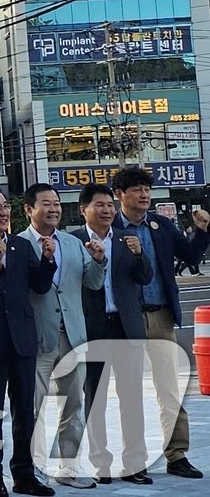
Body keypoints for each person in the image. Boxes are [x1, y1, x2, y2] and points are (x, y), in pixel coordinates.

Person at [110, 166, 202, 480]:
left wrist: (202, 232)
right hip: (128, 319)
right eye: (136, 189)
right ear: (120, 195)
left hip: (161, 315)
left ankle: (177, 456)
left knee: (170, 390)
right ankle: (133, 460)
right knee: (131, 392)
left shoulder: (160, 225)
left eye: (146, 188)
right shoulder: (112, 230)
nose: (144, 194)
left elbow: (189, 256)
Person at [0, 185, 55, 497]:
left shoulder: (20, 245)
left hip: (22, 340)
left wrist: (47, 260)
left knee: (24, 411)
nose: (4, 212)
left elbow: (40, 287)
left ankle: (24, 473)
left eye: (5, 206)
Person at [19, 183, 103, 490]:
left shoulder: (72, 243)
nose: (54, 209)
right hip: (38, 339)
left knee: (73, 404)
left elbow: (93, 284)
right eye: (46, 204)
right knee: (32, 407)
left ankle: (69, 466)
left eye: (56, 203)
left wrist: (99, 260)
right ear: (29, 209)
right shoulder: (19, 245)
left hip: (73, 337)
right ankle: (34, 467)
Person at [71, 182, 151, 484]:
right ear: (84, 210)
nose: (107, 210)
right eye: (99, 205)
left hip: (125, 326)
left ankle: (135, 463)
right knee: (94, 399)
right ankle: (100, 463)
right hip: (92, 329)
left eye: (109, 205)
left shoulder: (127, 239)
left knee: (132, 398)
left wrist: (140, 254)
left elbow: (145, 277)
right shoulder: (73, 241)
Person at [174, 209, 209, 276]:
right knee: (185, 262)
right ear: (186, 229)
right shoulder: (182, 233)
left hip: (188, 250)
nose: (191, 229)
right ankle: (179, 271)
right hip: (183, 251)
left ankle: (194, 272)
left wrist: (202, 229)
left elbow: (191, 255)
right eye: (189, 228)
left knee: (189, 261)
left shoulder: (165, 224)